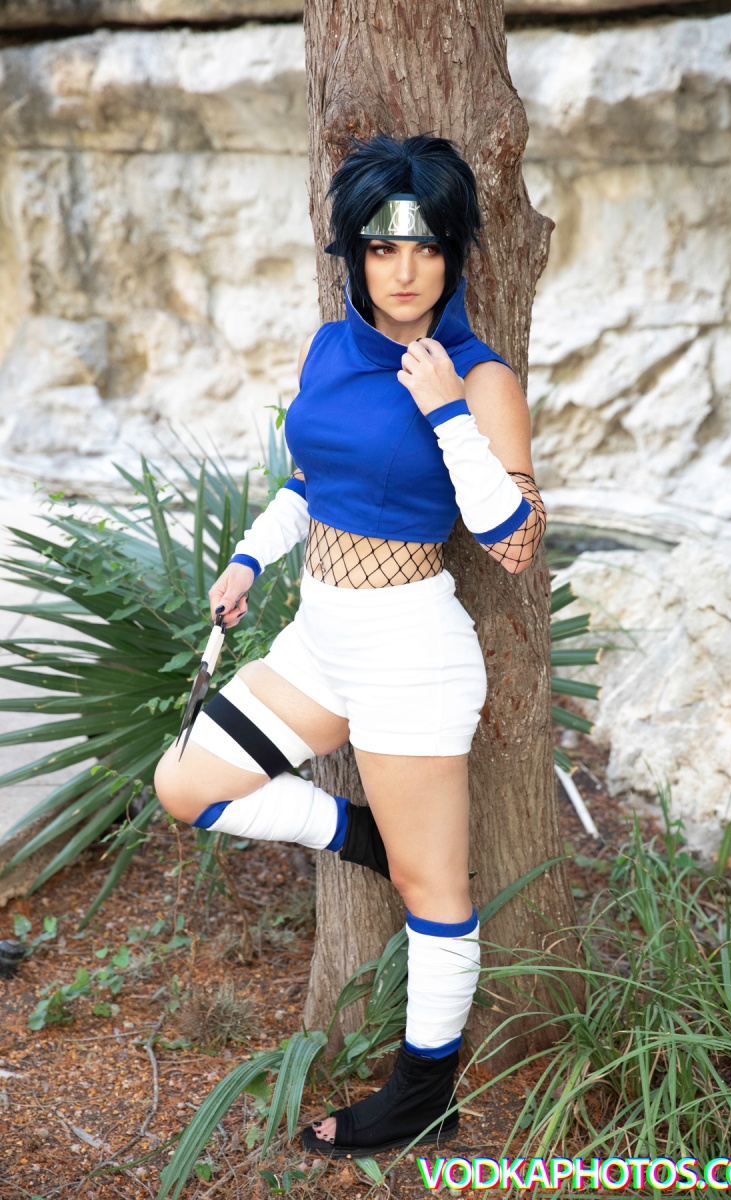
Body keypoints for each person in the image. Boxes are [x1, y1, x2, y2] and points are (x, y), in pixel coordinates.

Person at [153, 133, 546, 1158]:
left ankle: (423, 1091)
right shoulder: (329, 348)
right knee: (187, 785)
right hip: (318, 641)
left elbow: (512, 543)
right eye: (381, 249)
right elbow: (309, 479)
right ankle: (360, 833)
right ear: (354, 255)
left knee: (434, 895)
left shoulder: (479, 378)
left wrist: (446, 412)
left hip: (411, 655)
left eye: (426, 249)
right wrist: (248, 558)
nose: (404, 272)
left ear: (453, 255)